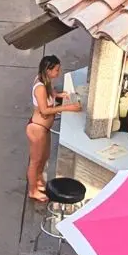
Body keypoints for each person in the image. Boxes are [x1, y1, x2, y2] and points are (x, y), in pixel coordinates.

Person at [26, 54, 81, 202]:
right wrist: (67, 108)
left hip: (44, 128)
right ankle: (32, 190)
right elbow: (44, 110)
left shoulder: (46, 81)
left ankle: (38, 181)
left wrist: (59, 95)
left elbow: (51, 94)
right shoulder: (40, 87)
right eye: (56, 70)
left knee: (44, 157)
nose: (59, 72)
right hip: (37, 128)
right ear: (48, 70)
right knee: (35, 161)